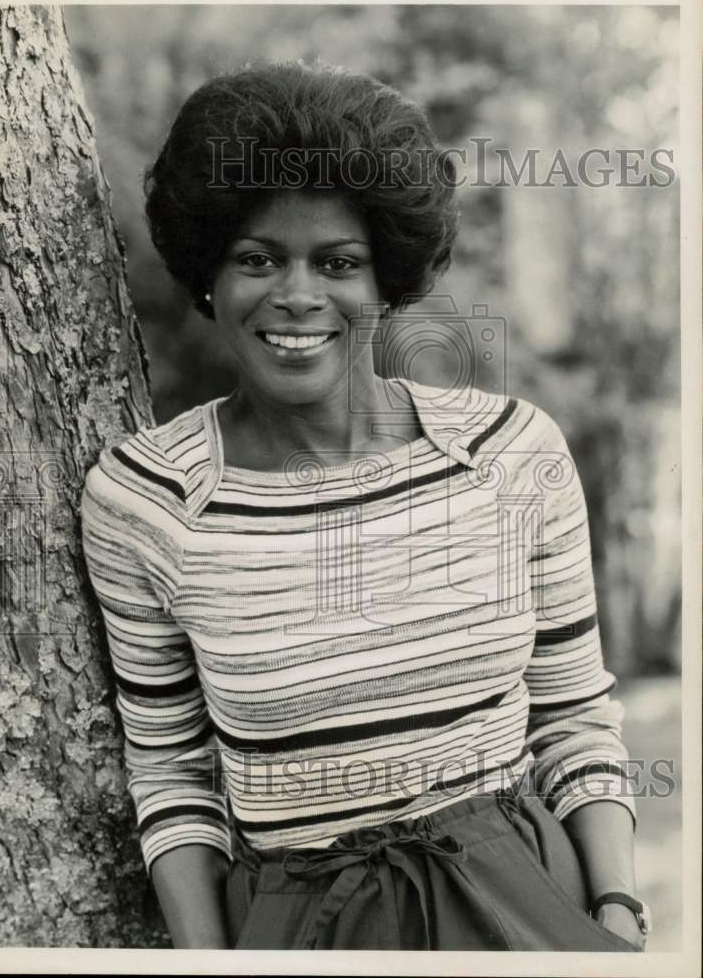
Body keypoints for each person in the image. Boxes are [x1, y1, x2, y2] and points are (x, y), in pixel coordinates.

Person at [80, 60, 648, 952]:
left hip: (527, 907)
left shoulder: (511, 452)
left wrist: (615, 912)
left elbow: (573, 714)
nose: (298, 296)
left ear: (387, 280)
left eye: (337, 263)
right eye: (258, 259)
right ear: (208, 280)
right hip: (299, 926)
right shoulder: (144, 499)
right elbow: (172, 771)